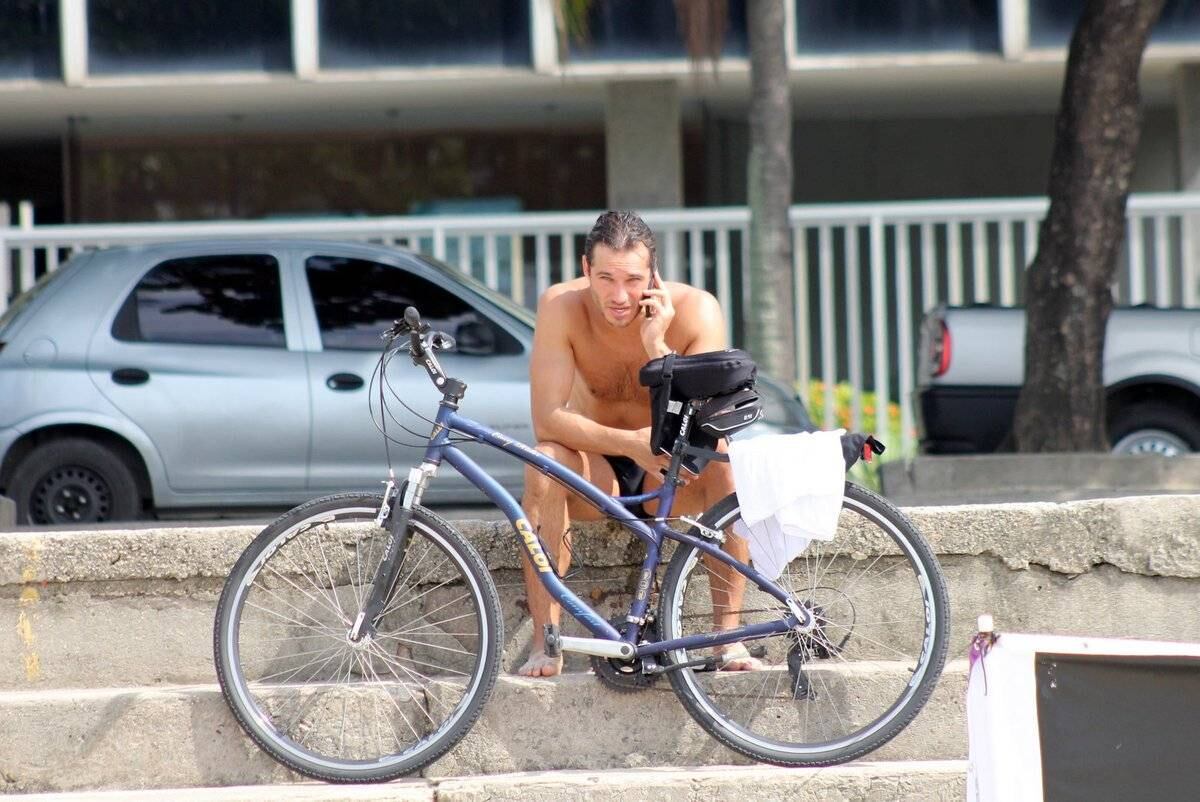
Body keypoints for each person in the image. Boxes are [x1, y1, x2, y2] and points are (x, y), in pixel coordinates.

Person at [518, 210, 762, 677]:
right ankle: (545, 644)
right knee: (543, 462)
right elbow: (547, 420)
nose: (619, 295)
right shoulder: (561, 307)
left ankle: (727, 639)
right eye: (605, 277)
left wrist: (658, 349)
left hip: (674, 470)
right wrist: (630, 443)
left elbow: (708, 420)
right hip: (599, 468)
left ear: (654, 276)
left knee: (726, 460)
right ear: (586, 268)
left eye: (632, 279)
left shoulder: (697, 311)